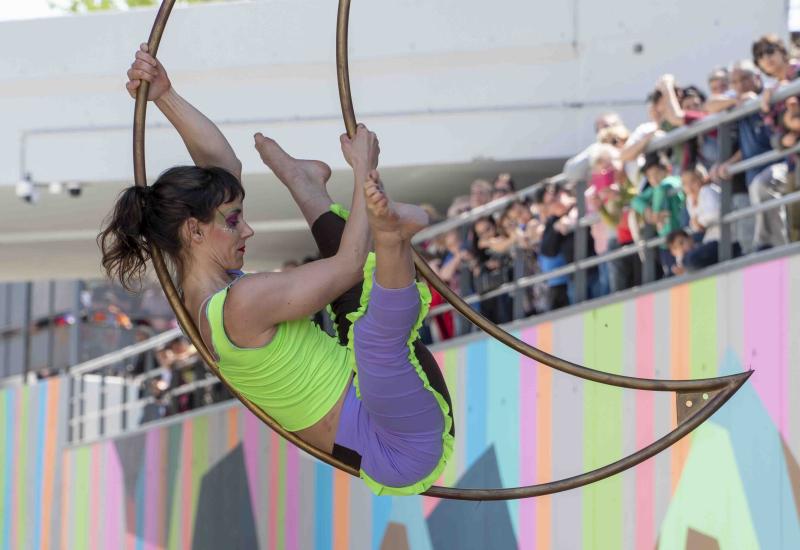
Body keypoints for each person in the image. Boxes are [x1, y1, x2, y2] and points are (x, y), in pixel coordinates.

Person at [101, 44, 454, 496]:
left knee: (353, 308)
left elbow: (222, 166)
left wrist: (165, 95)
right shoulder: (242, 304)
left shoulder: (200, 296)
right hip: (399, 445)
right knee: (366, 318)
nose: (247, 230)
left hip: (375, 395)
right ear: (194, 231)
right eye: (233, 220)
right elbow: (345, 264)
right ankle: (392, 237)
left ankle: (308, 186)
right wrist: (366, 172)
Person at [631, 154, 686, 276]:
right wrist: (647, 211)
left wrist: (655, 214)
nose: (653, 179)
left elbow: (661, 188)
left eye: (656, 173)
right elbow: (635, 201)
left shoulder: (671, 182)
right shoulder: (656, 187)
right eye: (649, 176)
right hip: (666, 243)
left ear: (666, 170)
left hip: (680, 238)